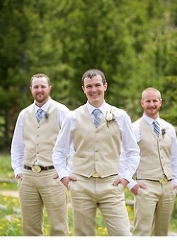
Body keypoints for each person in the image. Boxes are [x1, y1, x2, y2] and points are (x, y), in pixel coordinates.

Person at [52, 69, 139, 236]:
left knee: (122, 234)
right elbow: (59, 152)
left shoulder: (120, 116)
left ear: (105, 86)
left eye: (97, 85)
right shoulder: (72, 117)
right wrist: (64, 177)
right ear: (83, 89)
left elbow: (133, 151)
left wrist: (126, 178)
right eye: (89, 86)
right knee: (84, 236)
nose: (94, 90)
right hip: (81, 184)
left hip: (111, 184)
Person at [10, 73, 70, 236]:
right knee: (30, 228)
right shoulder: (24, 114)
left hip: (53, 176)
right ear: (31, 89)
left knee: (58, 227)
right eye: (36, 87)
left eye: (43, 86)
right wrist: (17, 170)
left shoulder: (61, 111)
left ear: (49, 88)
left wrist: (66, 172)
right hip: (27, 177)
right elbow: (17, 145)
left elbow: (73, 144)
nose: (39, 90)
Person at [130, 87, 177, 236]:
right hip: (146, 186)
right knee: (142, 231)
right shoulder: (135, 128)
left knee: (161, 233)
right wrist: (132, 183)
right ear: (142, 103)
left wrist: (176, 181)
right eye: (148, 101)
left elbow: (174, 157)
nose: (151, 104)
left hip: (168, 186)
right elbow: (124, 157)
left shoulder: (169, 128)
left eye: (154, 101)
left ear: (160, 102)